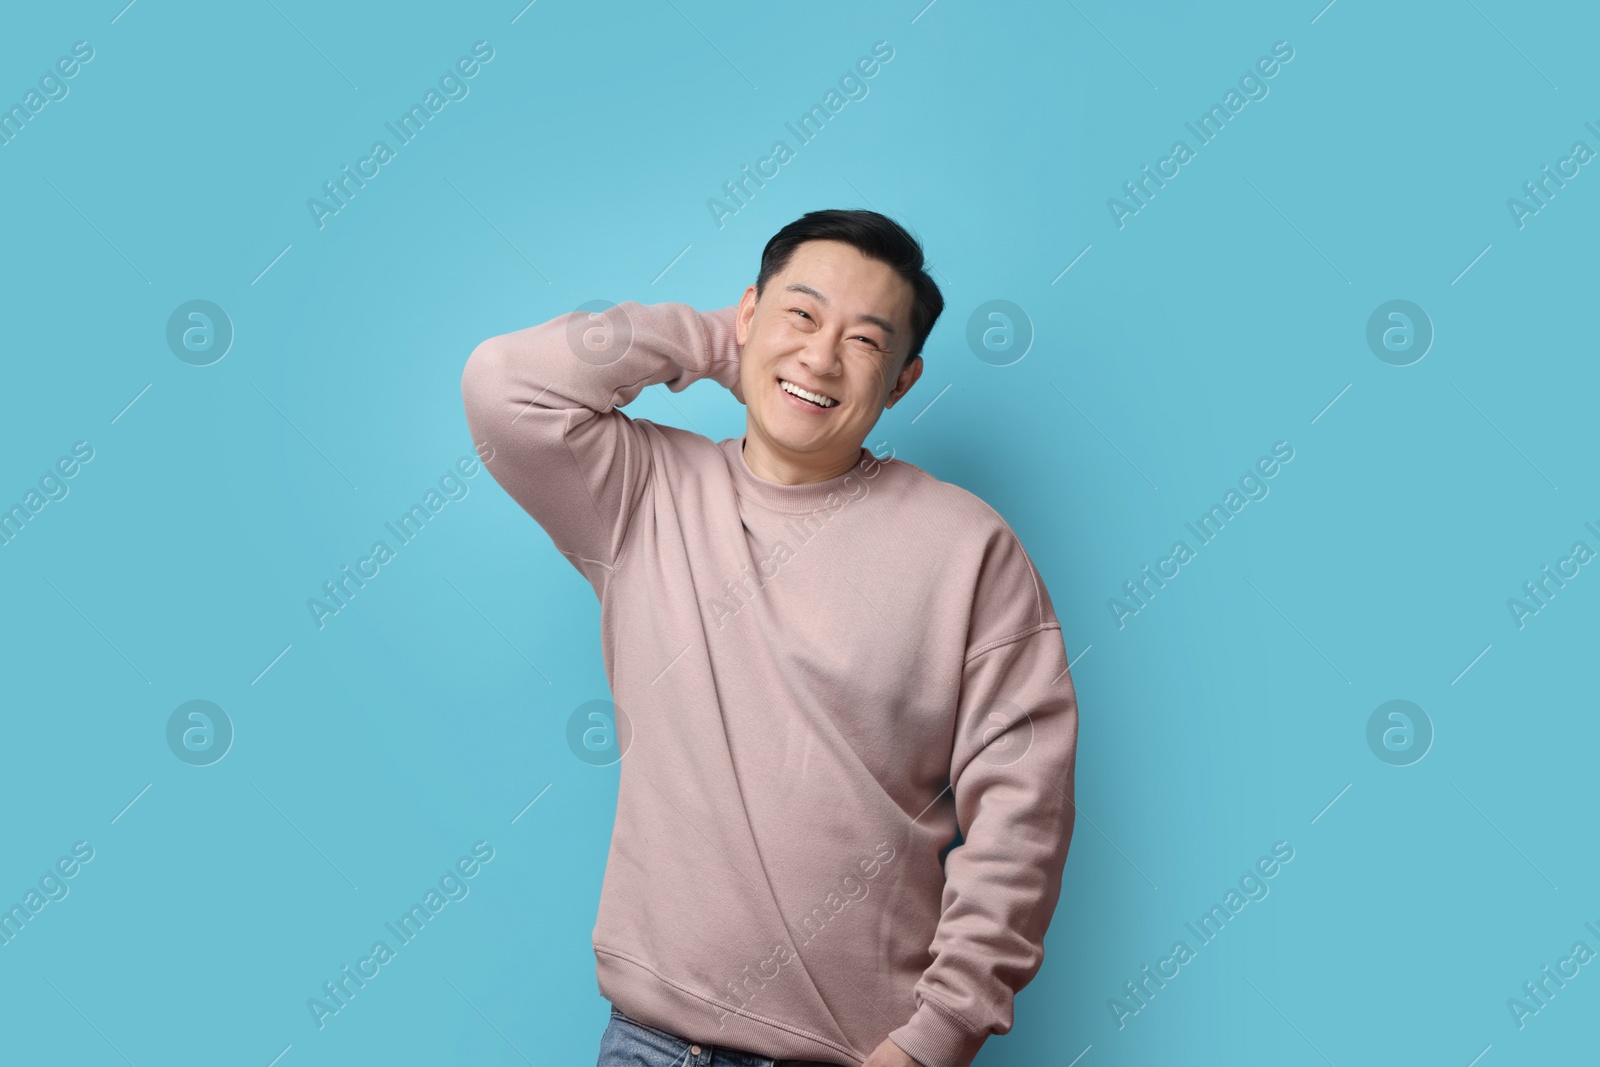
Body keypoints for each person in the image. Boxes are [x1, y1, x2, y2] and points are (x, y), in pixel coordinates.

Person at [460, 209, 1079, 1067]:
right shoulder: (643, 495)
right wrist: (726, 344)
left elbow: (1024, 813)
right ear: (748, 313)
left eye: (866, 341)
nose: (822, 357)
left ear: (902, 382)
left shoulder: (967, 548)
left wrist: (935, 1039)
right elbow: (504, 382)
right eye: (800, 315)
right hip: (645, 1045)